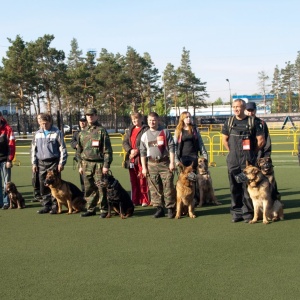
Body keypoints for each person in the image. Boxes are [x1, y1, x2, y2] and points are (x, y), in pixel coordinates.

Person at [222, 99, 265, 223]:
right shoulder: (229, 122)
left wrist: (252, 152)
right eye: (234, 107)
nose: (236, 109)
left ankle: (247, 213)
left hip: (247, 162)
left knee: (247, 187)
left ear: (244, 107)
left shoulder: (252, 122)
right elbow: (224, 140)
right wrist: (232, 152)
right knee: (234, 187)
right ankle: (236, 213)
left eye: (238, 107)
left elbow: (261, 140)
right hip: (233, 160)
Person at [77, 108, 113, 218]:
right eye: (88, 115)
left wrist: (106, 165)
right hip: (86, 164)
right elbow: (79, 150)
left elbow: (107, 150)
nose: (90, 117)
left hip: (99, 164)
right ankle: (90, 208)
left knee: (101, 188)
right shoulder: (82, 132)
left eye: (92, 115)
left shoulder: (101, 131)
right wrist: (80, 165)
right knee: (88, 188)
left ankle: (104, 209)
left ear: (96, 116)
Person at [140, 112, 176, 218]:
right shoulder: (145, 135)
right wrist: (144, 168)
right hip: (151, 164)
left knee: (168, 186)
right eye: (150, 120)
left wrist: (172, 162)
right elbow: (142, 152)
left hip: (164, 163)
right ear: (147, 121)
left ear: (158, 120)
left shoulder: (164, 132)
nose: (152, 122)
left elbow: (171, 147)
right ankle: (159, 209)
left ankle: (170, 209)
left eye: (154, 120)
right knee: (154, 187)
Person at [31, 113, 68, 214]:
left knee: (55, 185)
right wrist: (34, 163)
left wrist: (61, 163)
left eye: (46, 123)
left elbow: (63, 149)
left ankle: (55, 206)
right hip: (41, 163)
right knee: (44, 185)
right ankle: (46, 205)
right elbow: (33, 149)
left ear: (50, 122)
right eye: (42, 123)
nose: (44, 126)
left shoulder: (57, 132)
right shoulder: (37, 133)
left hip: (53, 162)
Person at [122, 112, 150, 207]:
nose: (134, 121)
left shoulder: (146, 129)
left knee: (142, 179)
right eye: (133, 119)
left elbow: (147, 142)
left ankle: (144, 200)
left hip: (141, 158)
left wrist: (137, 150)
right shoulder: (130, 129)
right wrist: (130, 151)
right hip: (131, 159)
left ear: (141, 119)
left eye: (136, 119)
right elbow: (125, 142)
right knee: (133, 180)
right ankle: (134, 200)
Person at [0, 112, 16, 209]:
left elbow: (11, 145)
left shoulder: (8, 129)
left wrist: (9, 160)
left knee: (7, 183)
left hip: (4, 160)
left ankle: (6, 202)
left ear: (1, 117)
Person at [70, 115, 88, 193]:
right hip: (80, 158)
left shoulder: (90, 132)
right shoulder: (77, 133)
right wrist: (76, 145)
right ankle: (84, 192)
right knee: (82, 176)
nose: (82, 123)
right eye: (81, 121)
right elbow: (72, 142)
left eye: (84, 121)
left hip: (90, 157)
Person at [32, 113, 42, 202]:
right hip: (37, 159)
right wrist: (34, 161)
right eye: (38, 118)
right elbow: (33, 148)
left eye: (40, 118)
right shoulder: (37, 132)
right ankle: (37, 194)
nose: (39, 120)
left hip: (47, 160)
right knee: (35, 178)